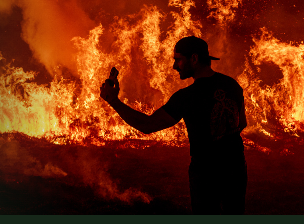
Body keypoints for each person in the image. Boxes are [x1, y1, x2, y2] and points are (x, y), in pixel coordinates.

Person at [99, 36, 248, 214]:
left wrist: (114, 101)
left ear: (194, 58)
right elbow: (241, 123)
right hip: (236, 169)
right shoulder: (232, 85)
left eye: (178, 60)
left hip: (206, 174)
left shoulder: (187, 97)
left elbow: (147, 125)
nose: (174, 66)